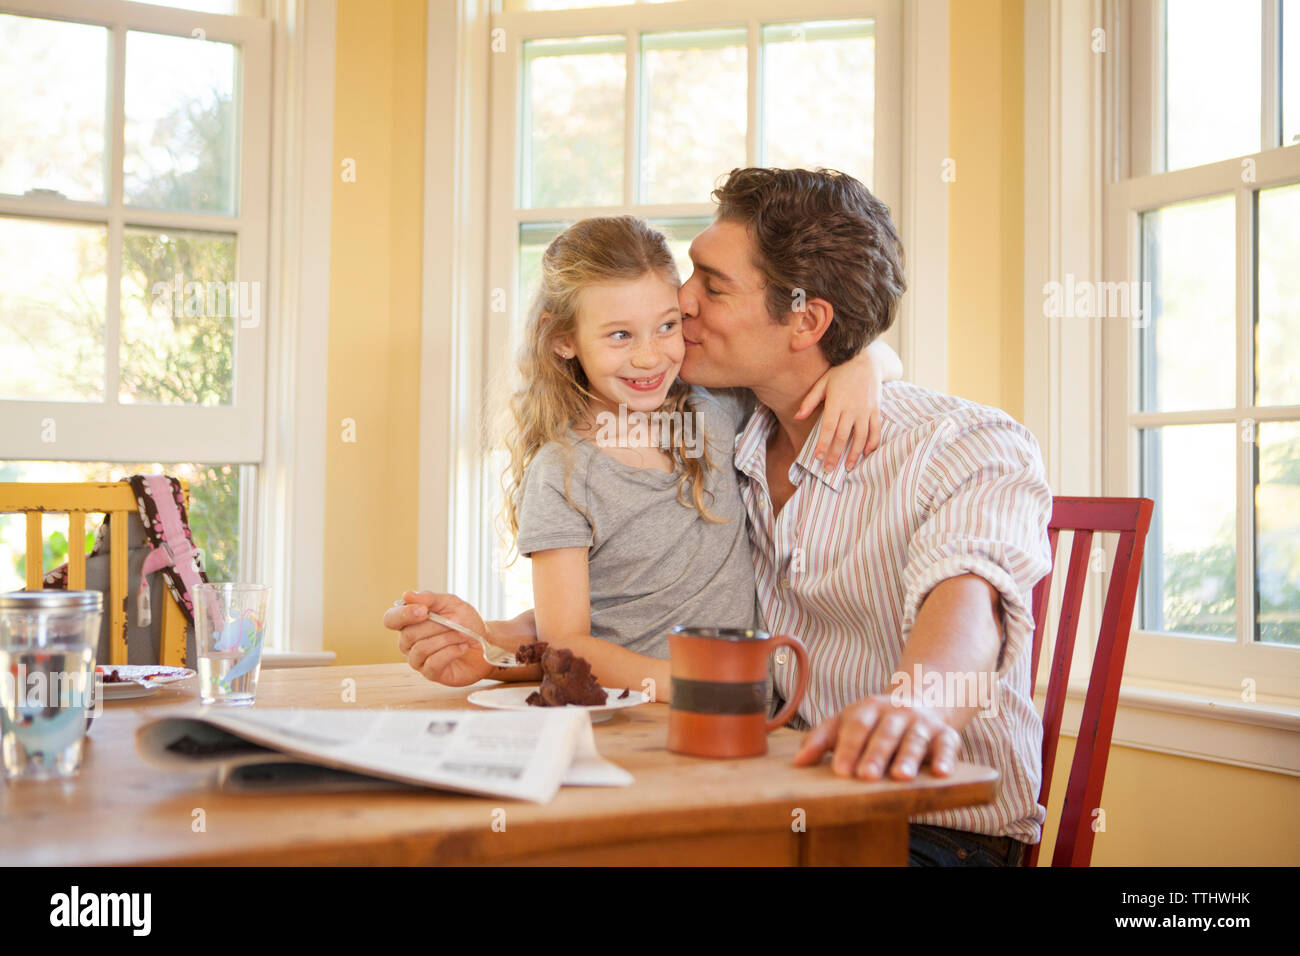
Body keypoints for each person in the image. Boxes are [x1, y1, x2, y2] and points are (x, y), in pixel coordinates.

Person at [385, 168, 1052, 867]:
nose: (681, 301)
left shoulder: (964, 446)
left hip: (929, 827)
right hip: (771, 787)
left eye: (712, 284)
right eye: (690, 274)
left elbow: (970, 607)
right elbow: (634, 600)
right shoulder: (737, 429)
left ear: (807, 321)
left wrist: (916, 708)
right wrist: (497, 645)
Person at [395, 214, 900, 698]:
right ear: (563, 339)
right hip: (639, 716)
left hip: (741, 718)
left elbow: (832, 361)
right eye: (620, 335)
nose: (649, 357)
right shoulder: (562, 474)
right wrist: (697, 684)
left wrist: (865, 365)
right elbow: (564, 643)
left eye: (666, 326)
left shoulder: (715, 408)